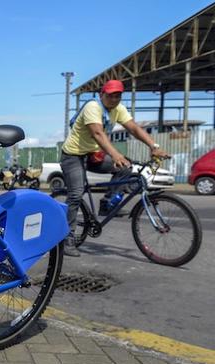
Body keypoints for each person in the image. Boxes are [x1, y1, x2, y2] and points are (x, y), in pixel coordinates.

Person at [60, 79, 169, 257]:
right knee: (76, 194)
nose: (114, 99)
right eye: (110, 95)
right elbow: (97, 133)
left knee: (125, 168)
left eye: (118, 96)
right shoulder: (93, 107)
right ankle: (67, 239)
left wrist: (153, 146)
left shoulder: (118, 109)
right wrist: (116, 154)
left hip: (93, 155)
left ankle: (106, 204)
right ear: (102, 94)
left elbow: (134, 128)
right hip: (73, 156)